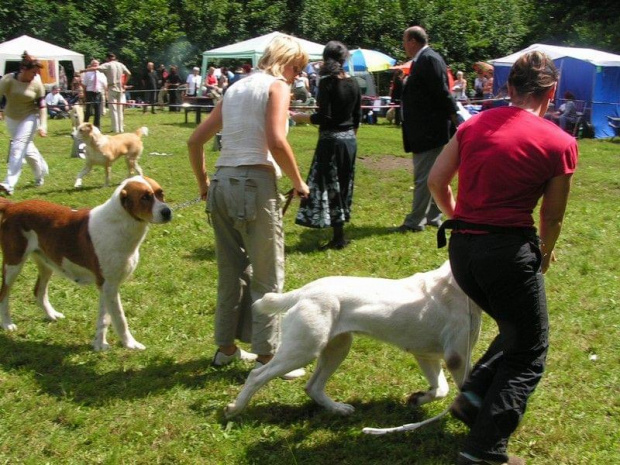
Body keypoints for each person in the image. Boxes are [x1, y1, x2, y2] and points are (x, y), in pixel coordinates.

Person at [428, 51, 578, 465]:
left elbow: (436, 180)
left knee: (516, 328)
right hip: (508, 253)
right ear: (550, 93)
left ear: (508, 88)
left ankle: (473, 398)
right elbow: (552, 214)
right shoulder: (561, 143)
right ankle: (484, 451)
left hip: (463, 251)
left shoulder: (472, 126)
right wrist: (544, 254)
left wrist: (458, 215)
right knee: (530, 347)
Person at [187, 35, 310, 377]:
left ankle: (226, 348)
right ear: (289, 63)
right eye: (298, 69)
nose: (298, 76)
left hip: (222, 184)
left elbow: (195, 140)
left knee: (231, 271)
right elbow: (276, 139)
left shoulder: (235, 88)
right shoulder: (277, 86)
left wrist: (203, 184)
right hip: (254, 184)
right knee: (268, 274)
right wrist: (299, 182)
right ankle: (269, 356)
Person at [292, 41, 362, 250]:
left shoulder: (326, 83)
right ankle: (339, 234)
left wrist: (300, 117)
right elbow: (357, 117)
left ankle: (338, 236)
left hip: (331, 142)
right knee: (343, 185)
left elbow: (324, 116)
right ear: (344, 58)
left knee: (329, 187)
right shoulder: (355, 83)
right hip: (350, 142)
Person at [391, 26, 458, 233]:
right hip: (426, 129)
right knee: (431, 176)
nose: (403, 46)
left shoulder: (429, 59)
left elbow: (441, 92)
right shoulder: (423, 60)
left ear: (412, 41)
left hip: (429, 130)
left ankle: (414, 221)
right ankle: (433, 216)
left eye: (404, 41)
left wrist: (455, 116)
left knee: (423, 177)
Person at [0, 51, 49, 194]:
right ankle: (41, 174)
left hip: (30, 117)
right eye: (33, 72)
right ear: (23, 69)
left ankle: (9, 184)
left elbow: (42, 105)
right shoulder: (8, 79)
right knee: (27, 150)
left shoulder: (37, 82)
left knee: (17, 147)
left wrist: (43, 125)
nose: (35, 75)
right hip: (11, 118)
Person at [82, 52, 131, 133]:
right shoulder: (121, 64)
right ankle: (121, 128)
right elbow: (129, 73)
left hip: (112, 87)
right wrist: (124, 83)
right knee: (120, 109)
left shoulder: (108, 64)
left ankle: (115, 128)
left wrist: (83, 70)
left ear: (108, 58)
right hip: (120, 88)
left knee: (113, 109)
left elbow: (95, 68)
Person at [81, 59, 107, 128]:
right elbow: (84, 85)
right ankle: (84, 125)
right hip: (89, 92)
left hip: (98, 93)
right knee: (88, 110)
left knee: (98, 111)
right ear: (91, 65)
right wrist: (84, 94)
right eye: (94, 64)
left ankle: (97, 126)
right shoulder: (87, 74)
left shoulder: (102, 74)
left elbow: (105, 85)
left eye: (97, 64)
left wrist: (105, 94)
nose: (95, 65)